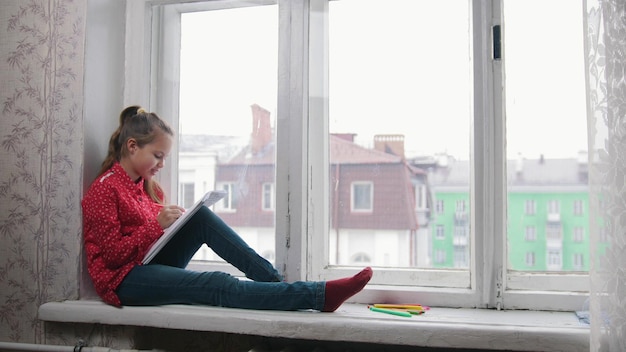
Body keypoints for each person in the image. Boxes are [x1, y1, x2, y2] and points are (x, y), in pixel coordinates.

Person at [82, 105, 372, 311]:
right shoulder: (104, 189)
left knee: (201, 219)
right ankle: (317, 296)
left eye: (165, 157)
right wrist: (157, 225)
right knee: (217, 283)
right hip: (122, 281)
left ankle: (274, 283)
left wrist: (174, 226)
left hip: (146, 267)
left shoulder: (145, 188)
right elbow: (112, 256)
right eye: (158, 156)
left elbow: (148, 243)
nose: (162, 164)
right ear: (132, 147)